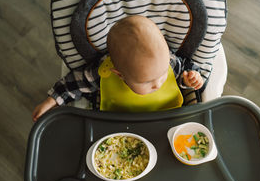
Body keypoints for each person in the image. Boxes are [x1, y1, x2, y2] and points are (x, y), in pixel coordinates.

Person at [33, 15, 204, 121]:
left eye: (161, 74)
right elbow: (73, 84)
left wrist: (191, 78)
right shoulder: (103, 73)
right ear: (120, 74)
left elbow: (185, 68)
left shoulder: (167, 61)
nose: (158, 83)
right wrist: (51, 101)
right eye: (147, 81)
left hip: (169, 119)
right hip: (117, 126)